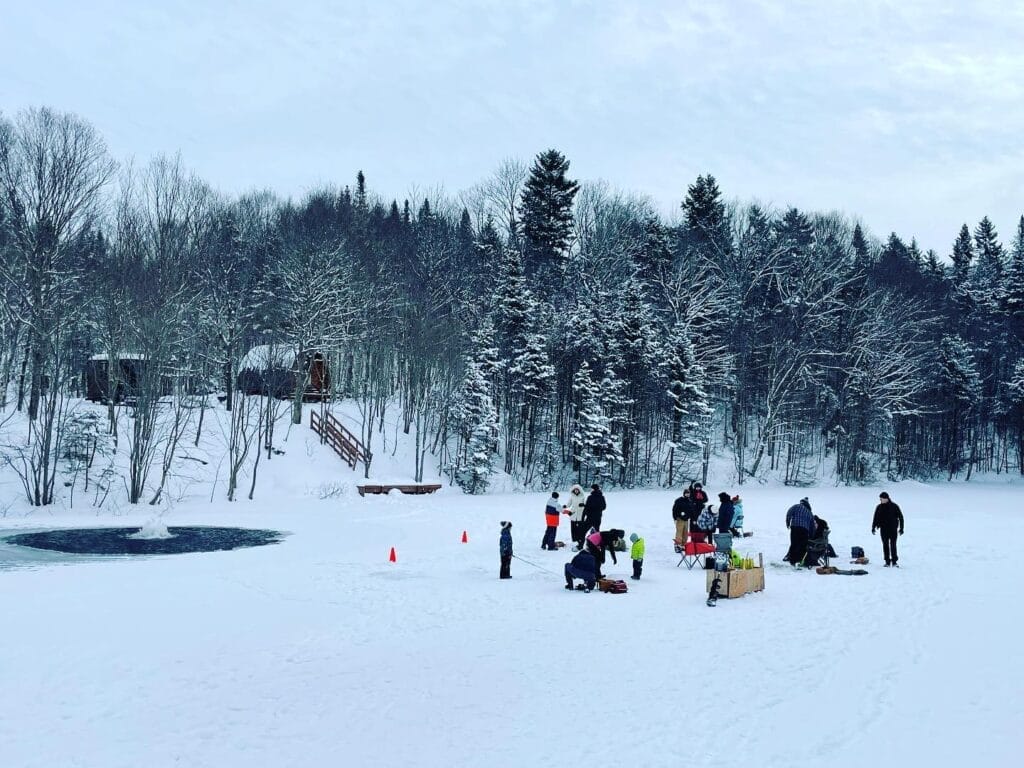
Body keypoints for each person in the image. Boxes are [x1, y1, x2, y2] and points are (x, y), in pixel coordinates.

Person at [872, 491, 905, 567]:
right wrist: (873, 527)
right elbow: (875, 518)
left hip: (893, 529)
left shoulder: (894, 506)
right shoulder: (879, 507)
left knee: (893, 545)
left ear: (886, 498)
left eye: (882, 499)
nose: (880, 500)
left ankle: (894, 561)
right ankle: (887, 561)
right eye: (880, 499)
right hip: (883, 529)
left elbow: (901, 517)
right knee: (885, 545)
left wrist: (901, 528)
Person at [784, 497, 815, 566]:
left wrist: (788, 522)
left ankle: (792, 561)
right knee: (802, 546)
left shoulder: (796, 506)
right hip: (804, 530)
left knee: (794, 544)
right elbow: (812, 526)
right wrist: (811, 536)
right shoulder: (810, 513)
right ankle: (800, 560)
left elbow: (789, 513)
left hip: (795, 527)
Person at [566, 484, 587, 549]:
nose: (576, 491)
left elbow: (586, 504)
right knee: (573, 528)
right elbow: (569, 504)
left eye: (577, 490)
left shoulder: (583, 496)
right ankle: (574, 539)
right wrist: (565, 506)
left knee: (580, 528)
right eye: (575, 490)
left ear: (579, 490)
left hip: (580, 514)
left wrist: (583, 505)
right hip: (573, 514)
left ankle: (579, 539)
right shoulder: (572, 496)